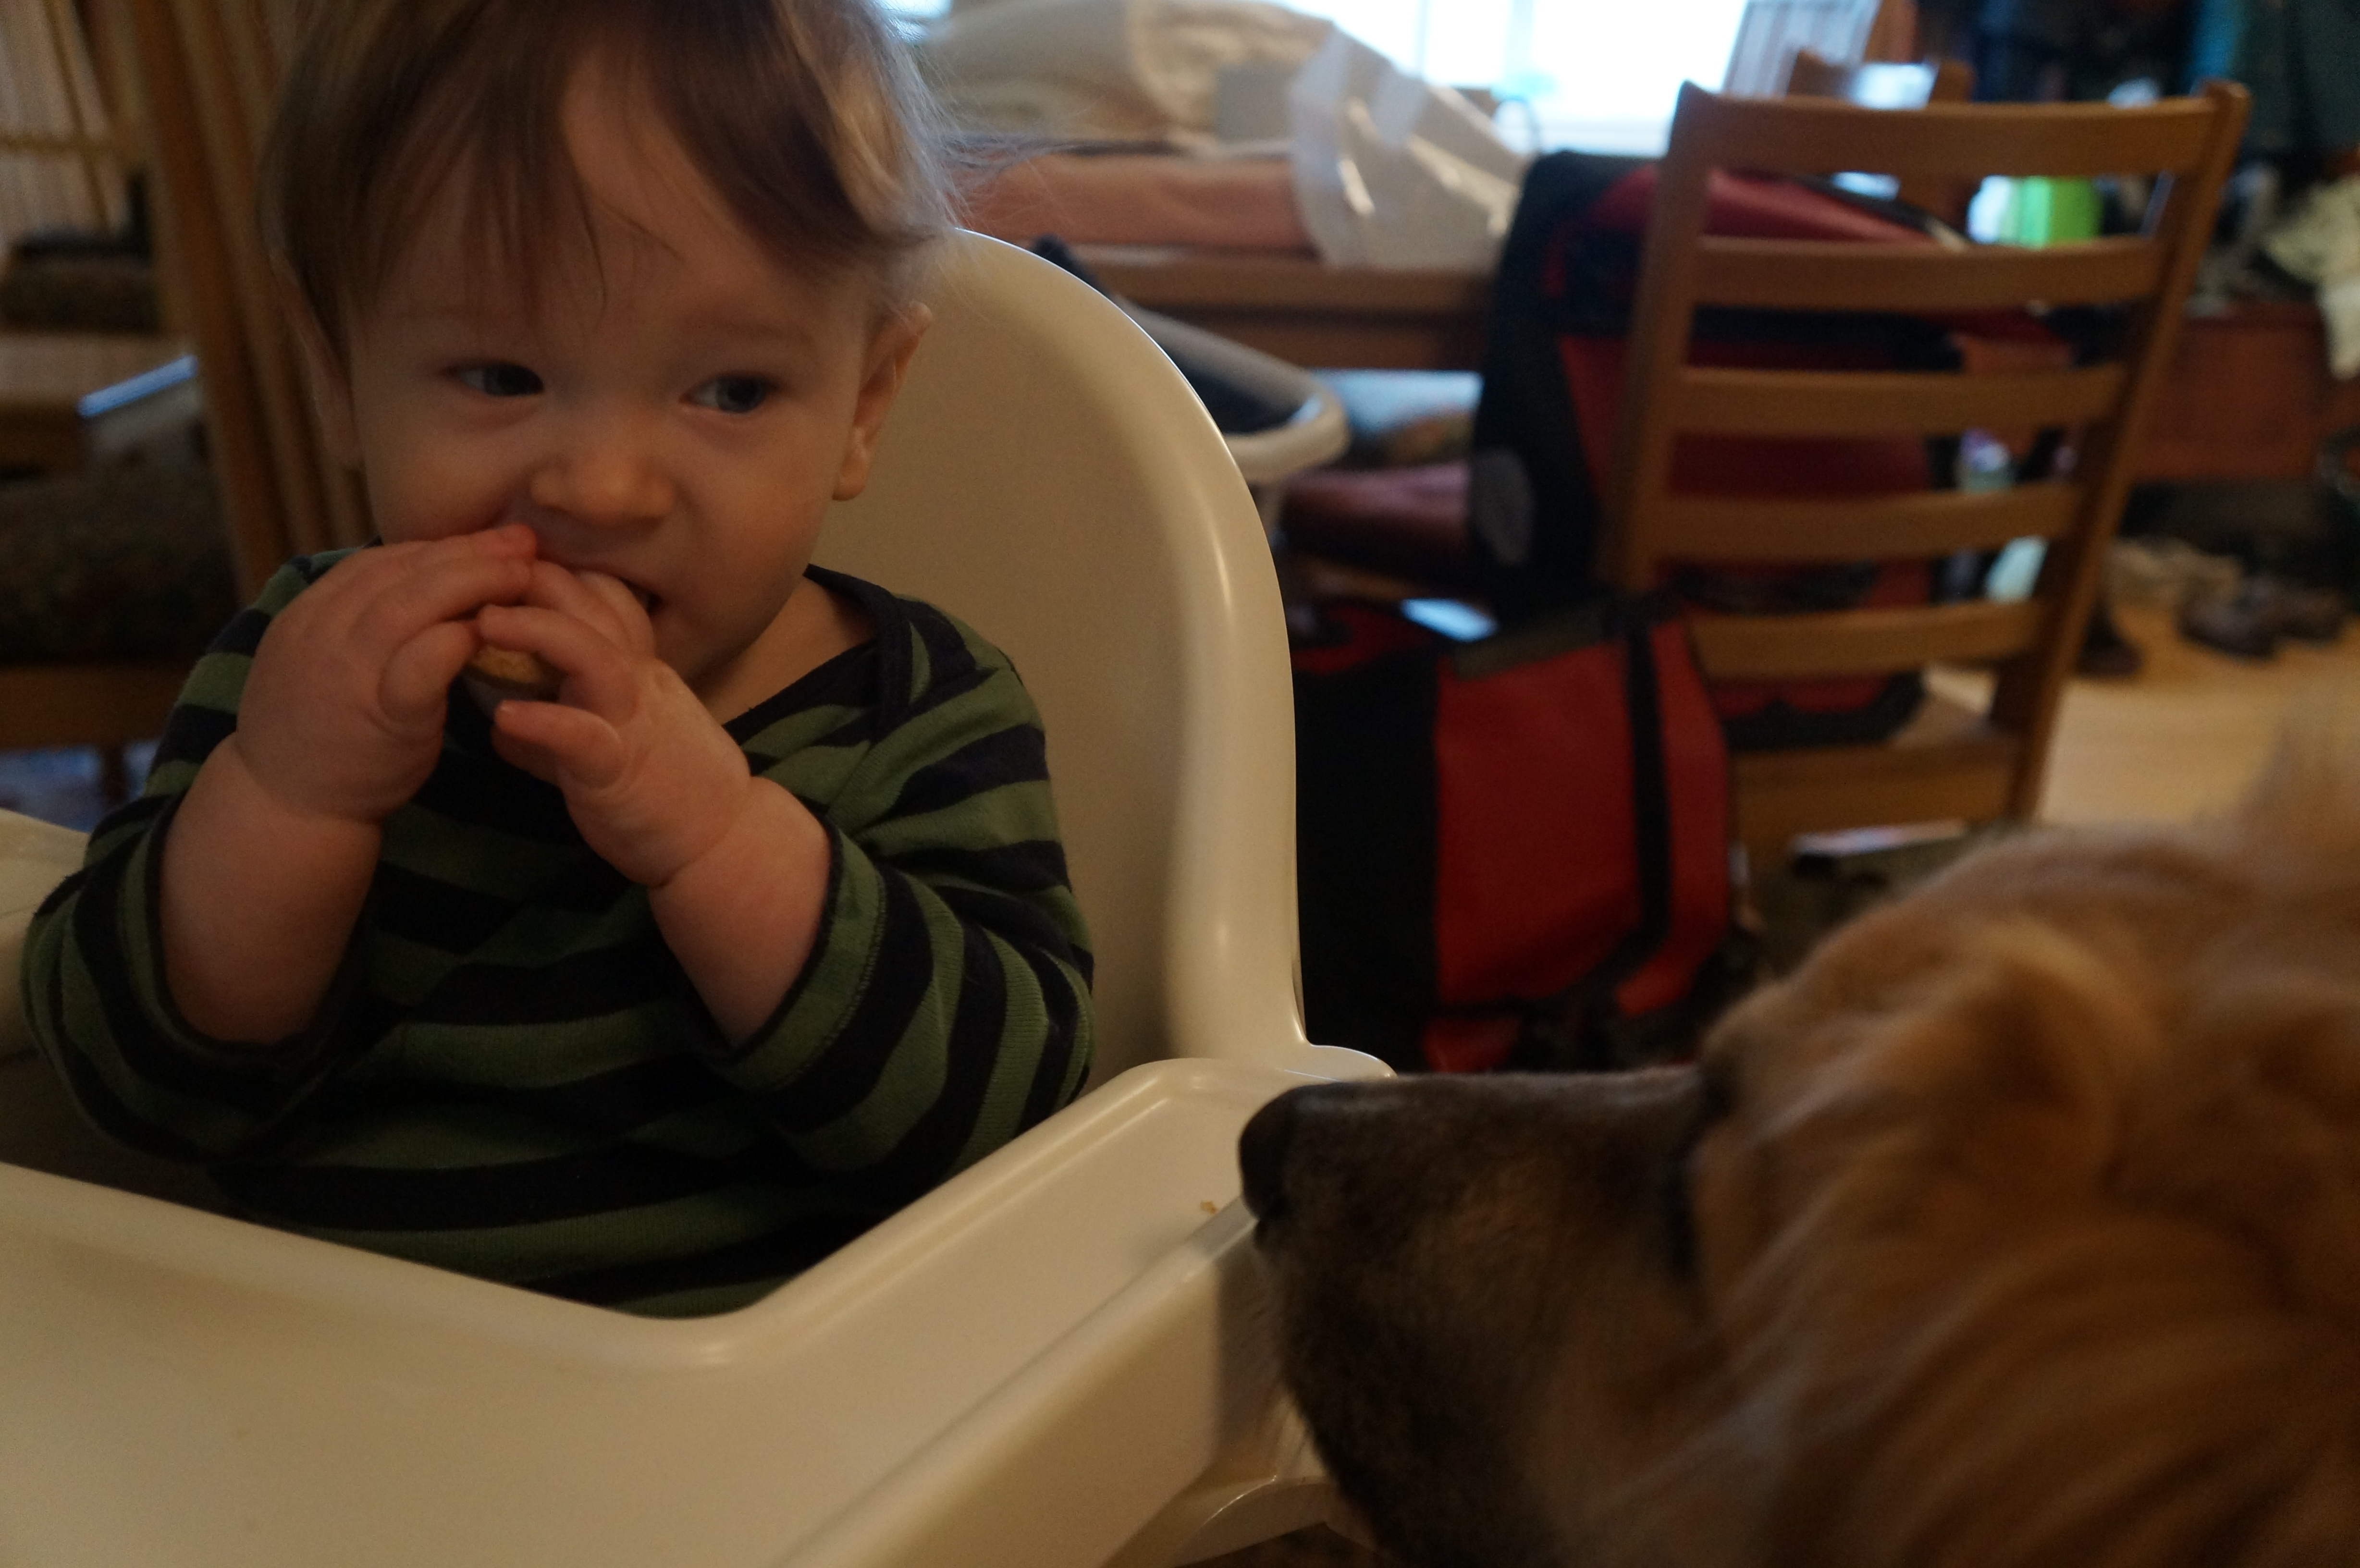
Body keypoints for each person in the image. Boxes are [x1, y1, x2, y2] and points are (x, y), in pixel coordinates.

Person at [20, 0, 1094, 1318]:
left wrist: (719, 839)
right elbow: (129, 1084)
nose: (602, 487)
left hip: (767, 1409)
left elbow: (1004, 1129)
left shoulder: (915, 712)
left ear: (863, 404)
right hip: (316, 1381)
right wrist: (291, 799)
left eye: (731, 391)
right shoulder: (304, 671)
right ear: (338, 372)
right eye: (500, 376)